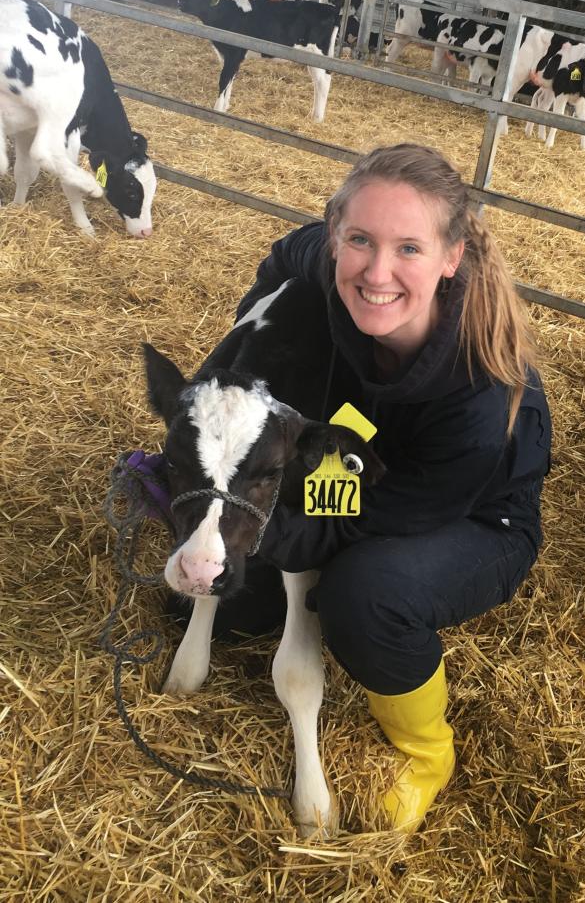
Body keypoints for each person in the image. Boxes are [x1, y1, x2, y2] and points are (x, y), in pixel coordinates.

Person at [170, 143, 552, 832]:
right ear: (339, 234)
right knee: (218, 605)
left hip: (472, 517)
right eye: (360, 241)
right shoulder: (330, 260)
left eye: (409, 247)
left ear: (451, 257)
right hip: (357, 456)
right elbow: (287, 259)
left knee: (360, 592)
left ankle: (425, 753)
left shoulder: (480, 397)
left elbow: (366, 518)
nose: (377, 272)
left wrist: (262, 525)